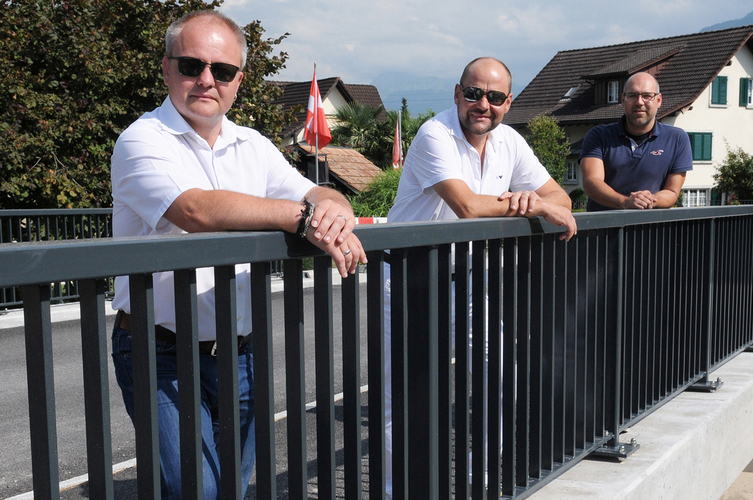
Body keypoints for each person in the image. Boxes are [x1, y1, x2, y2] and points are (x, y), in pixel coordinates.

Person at [109, 10, 365, 499]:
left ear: (238, 80)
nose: (207, 79)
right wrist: (302, 217)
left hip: (239, 353)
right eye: (191, 65)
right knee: (197, 492)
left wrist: (334, 210)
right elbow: (195, 210)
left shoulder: (253, 145)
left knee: (234, 489)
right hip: (160, 350)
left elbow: (320, 195)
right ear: (166, 69)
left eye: (222, 70)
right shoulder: (141, 139)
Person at [382, 56, 577, 496]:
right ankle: (399, 489)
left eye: (493, 97)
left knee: (499, 377)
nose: (482, 104)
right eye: (473, 94)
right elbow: (467, 206)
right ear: (457, 94)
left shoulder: (509, 140)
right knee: (406, 395)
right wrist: (532, 204)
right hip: (411, 279)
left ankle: (479, 478)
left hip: (469, 276)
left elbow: (560, 197)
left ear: (508, 102)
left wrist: (539, 199)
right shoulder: (436, 134)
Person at [580, 72, 693, 211]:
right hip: (604, 230)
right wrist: (625, 202)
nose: (639, 102)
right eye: (632, 96)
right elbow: (591, 183)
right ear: (623, 100)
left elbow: (672, 192)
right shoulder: (598, 136)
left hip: (653, 231)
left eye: (647, 96)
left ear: (659, 100)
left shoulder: (677, 139)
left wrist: (649, 199)